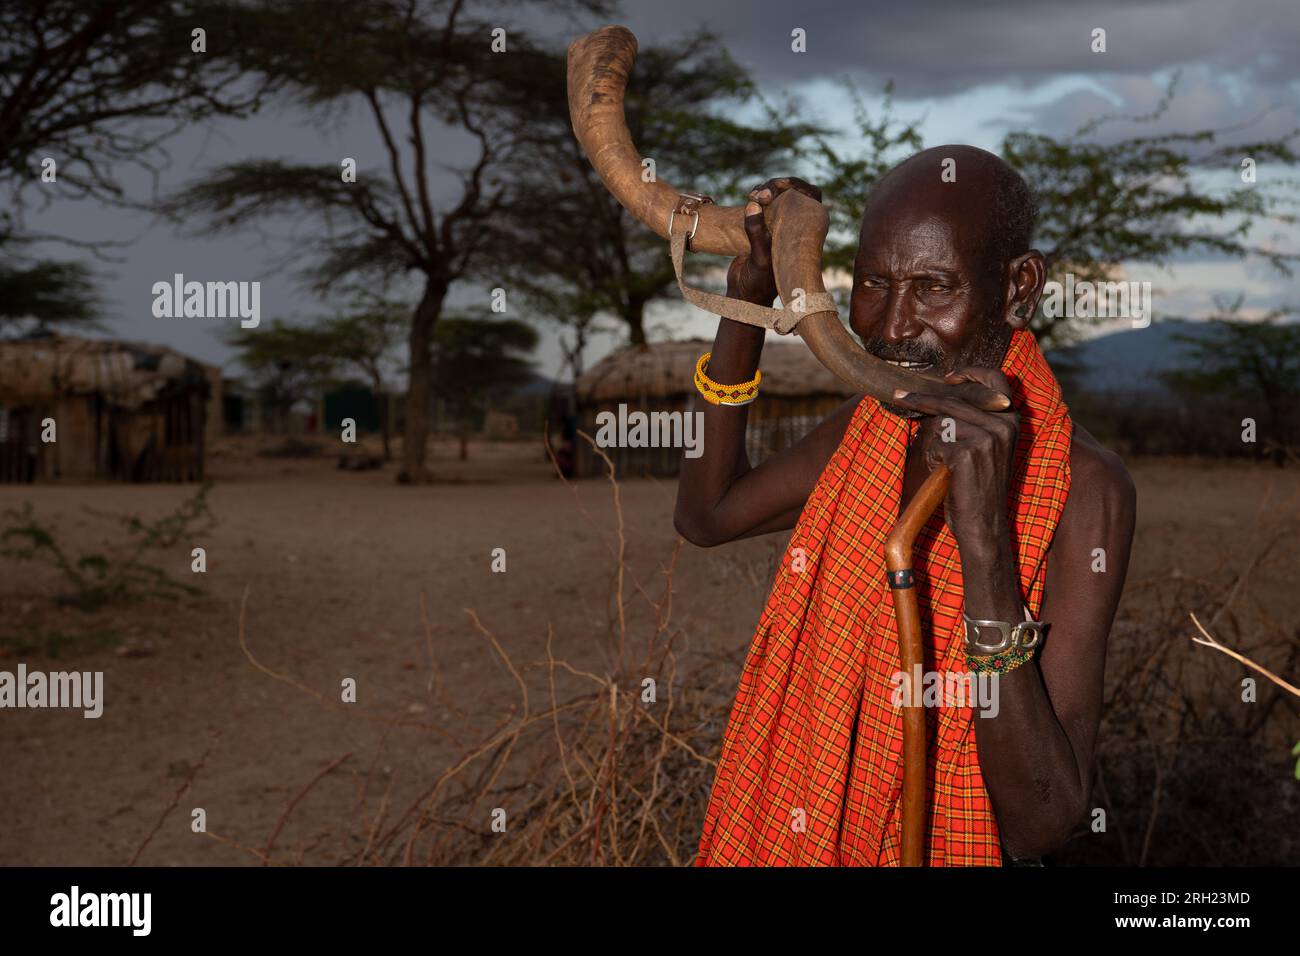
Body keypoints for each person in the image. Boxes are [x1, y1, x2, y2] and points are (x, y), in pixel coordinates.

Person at [674, 146, 1137, 866]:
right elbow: (707, 517)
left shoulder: (1085, 489)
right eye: (872, 284)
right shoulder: (874, 428)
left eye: (932, 287)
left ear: (1020, 286)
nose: (890, 328)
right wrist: (747, 300)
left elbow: (1045, 820)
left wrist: (985, 546)